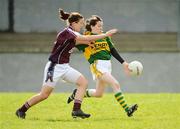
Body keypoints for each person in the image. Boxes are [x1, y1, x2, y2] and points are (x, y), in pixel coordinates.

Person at [15, 10, 118, 119]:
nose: (82, 26)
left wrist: (89, 43)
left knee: (83, 83)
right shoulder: (68, 32)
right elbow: (84, 39)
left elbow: (82, 41)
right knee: (44, 95)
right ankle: (21, 110)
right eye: (81, 23)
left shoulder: (72, 33)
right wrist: (105, 35)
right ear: (74, 23)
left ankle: (76, 110)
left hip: (64, 66)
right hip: (54, 67)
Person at [67, 15, 138, 117]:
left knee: (98, 94)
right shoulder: (86, 37)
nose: (101, 28)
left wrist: (124, 63)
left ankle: (77, 93)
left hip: (108, 66)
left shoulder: (104, 37)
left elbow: (112, 50)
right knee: (115, 84)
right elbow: (73, 42)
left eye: (102, 26)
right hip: (98, 65)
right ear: (91, 26)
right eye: (99, 26)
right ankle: (127, 109)